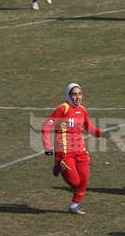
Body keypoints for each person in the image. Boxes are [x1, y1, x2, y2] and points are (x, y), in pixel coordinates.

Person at [42, 83, 111, 215]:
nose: (78, 97)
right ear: (68, 95)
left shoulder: (82, 110)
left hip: (80, 151)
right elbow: (46, 126)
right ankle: (59, 164)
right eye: (74, 94)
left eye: (80, 94)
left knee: (84, 179)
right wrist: (48, 147)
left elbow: (89, 128)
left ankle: (74, 205)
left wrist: (102, 133)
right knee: (75, 182)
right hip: (65, 152)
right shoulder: (63, 109)